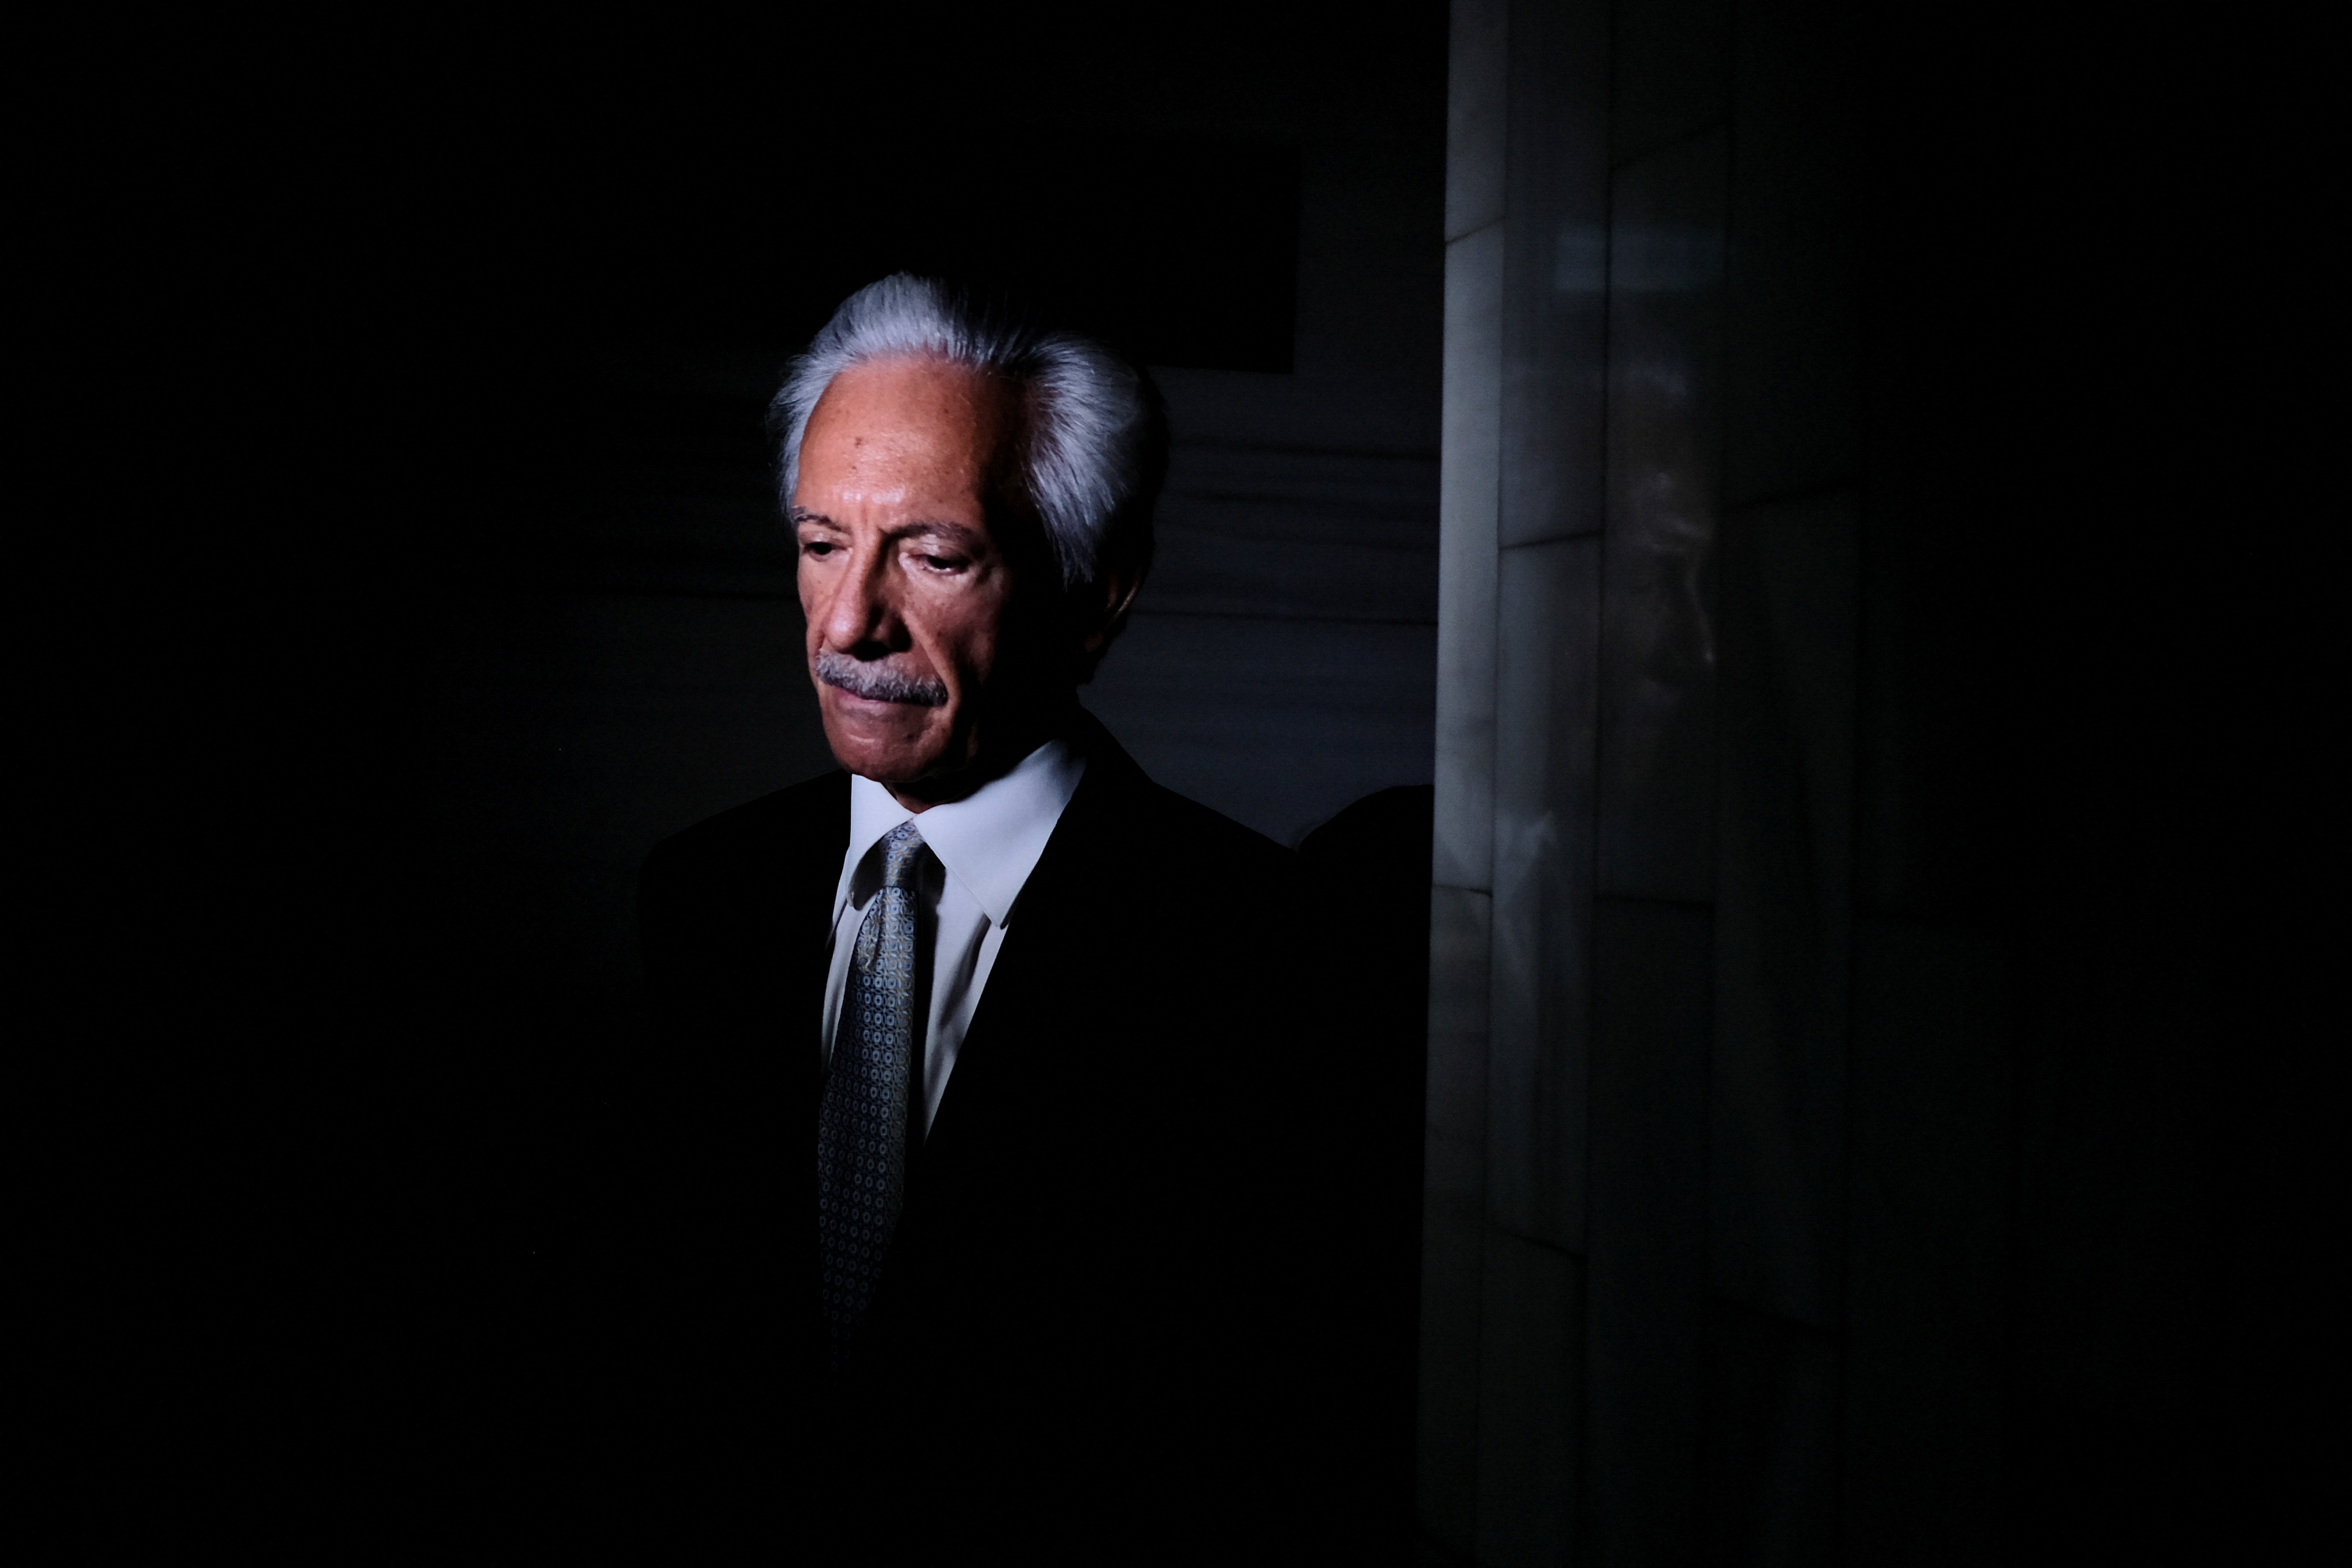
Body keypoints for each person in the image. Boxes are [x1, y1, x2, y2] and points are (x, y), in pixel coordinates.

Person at [630, 276, 1360, 1561]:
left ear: (1094, 596)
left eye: (933, 556)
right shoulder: (699, 894)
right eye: (820, 543)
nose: (847, 623)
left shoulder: (1262, 949)